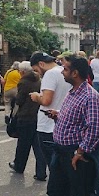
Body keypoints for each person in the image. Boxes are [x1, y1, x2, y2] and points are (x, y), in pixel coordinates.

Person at [23, 55, 99, 196]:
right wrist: (57, 114)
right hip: (60, 152)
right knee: (54, 194)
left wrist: (80, 152)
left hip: (75, 155)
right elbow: (76, 119)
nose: (62, 71)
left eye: (66, 69)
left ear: (75, 73)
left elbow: (95, 129)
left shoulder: (90, 96)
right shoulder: (72, 92)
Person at [28, 51, 70, 182]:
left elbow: (46, 101)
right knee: (61, 166)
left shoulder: (50, 75)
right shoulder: (64, 71)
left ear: (41, 64)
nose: (37, 73)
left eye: (36, 69)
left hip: (47, 125)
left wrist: (36, 97)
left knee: (54, 168)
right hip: (62, 123)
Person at [9, 61, 42, 175]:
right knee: (37, 145)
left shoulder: (23, 82)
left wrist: (15, 99)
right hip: (36, 114)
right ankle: (41, 171)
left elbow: (20, 100)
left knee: (23, 144)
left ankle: (19, 166)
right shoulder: (38, 79)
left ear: (22, 71)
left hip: (25, 115)